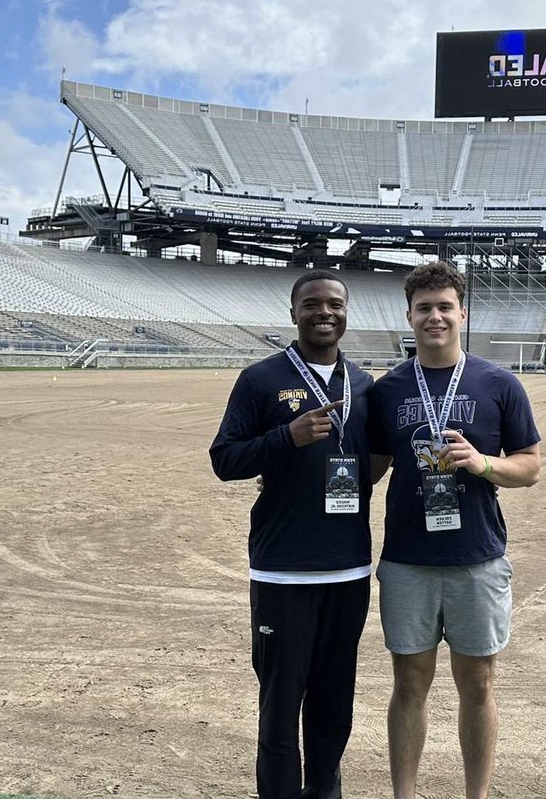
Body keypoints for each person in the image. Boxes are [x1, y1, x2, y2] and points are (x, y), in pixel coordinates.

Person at [367, 260, 541, 799]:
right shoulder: (387, 389)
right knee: (409, 683)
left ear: (463, 314)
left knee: (478, 684)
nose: (435, 317)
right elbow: (369, 468)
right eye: (425, 308)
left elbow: (529, 468)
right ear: (409, 316)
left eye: (445, 307)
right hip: (408, 561)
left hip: (477, 559)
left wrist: (482, 463)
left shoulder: (498, 383)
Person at [210, 269, 379, 799]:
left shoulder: (365, 384)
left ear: (347, 313)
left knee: (334, 704)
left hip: (349, 567)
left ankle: (326, 792)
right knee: (281, 708)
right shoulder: (260, 379)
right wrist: (288, 436)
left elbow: (371, 462)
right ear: (293, 313)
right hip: (283, 569)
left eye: (334, 304)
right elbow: (224, 460)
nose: (324, 312)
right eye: (312, 304)